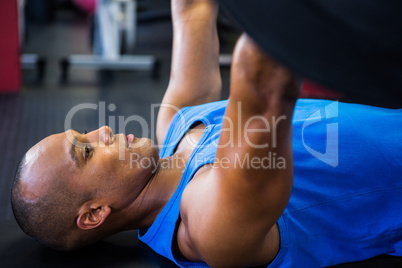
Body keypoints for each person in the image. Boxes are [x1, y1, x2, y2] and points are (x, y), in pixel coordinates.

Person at [11, 0, 402, 267]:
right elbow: (264, 81)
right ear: (95, 213)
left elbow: (192, 11)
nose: (103, 131)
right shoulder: (207, 226)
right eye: (86, 151)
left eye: (85, 132)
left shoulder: (176, 124)